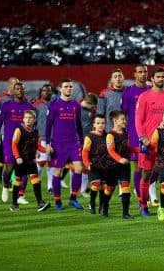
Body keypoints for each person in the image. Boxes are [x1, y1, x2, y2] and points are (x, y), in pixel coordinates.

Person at [135, 66, 164, 216]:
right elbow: (138, 120)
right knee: (146, 173)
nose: (161, 79)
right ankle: (143, 205)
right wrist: (142, 137)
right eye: (158, 76)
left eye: (163, 76)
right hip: (148, 142)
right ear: (152, 79)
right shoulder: (144, 97)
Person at [0, 82, 34, 203]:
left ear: (24, 91)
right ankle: (5, 185)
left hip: (24, 143)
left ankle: (20, 195)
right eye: (17, 89)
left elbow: (33, 127)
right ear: (14, 91)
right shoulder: (6, 105)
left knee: (23, 169)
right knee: (8, 167)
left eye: (21, 89)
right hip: (9, 141)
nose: (19, 91)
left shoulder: (29, 107)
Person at [45, 79, 85, 210]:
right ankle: (57, 201)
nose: (69, 89)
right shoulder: (54, 105)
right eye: (66, 86)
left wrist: (82, 142)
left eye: (70, 87)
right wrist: (47, 143)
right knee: (57, 172)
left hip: (73, 143)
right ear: (60, 89)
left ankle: (73, 198)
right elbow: (48, 125)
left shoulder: (76, 105)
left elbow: (79, 125)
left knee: (79, 168)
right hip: (58, 144)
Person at [9, 110, 51, 212]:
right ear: (23, 119)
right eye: (26, 117)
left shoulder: (36, 133)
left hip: (31, 161)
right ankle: (14, 204)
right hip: (20, 161)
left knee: (36, 180)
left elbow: (38, 146)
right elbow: (14, 144)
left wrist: (46, 149)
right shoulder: (18, 130)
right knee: (18, 181)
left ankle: (40, 203)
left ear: (34, 120)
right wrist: (17, 157)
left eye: (30, 118)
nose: (28, 119)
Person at [121, 64, 150, 197]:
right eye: (140, 72)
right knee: (138, 165)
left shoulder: (151, 90)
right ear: (135, 74)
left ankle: (147, 190)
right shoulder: (128, 92)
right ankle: (140, 196)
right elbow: (123, 114)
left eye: (145, 72)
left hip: (151, 132)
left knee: (153, 166)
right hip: (134, 134)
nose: (143, 74)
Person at [105, 110, 137, 219]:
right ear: (115, 121)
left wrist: (140, 150)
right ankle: (104, 206)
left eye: (125, 119)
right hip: (113, 166)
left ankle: (125, 213)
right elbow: (110, 150)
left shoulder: (125, 133)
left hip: (124, 166)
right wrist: (120, 159)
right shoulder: (110, 135)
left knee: (126, 187)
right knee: (110, 188)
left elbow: (128, 148)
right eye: (122, 119)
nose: (125, 121)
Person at [82, 114, 110, 214]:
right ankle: (92, 203)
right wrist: (87, 163)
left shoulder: (108, 136)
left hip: (104, 166)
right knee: (96, 184)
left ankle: (102, 206)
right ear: (94, 124)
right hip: (93, 165)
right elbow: (85, 152)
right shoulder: (89, 137)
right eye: (98, 123)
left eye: (103, 123)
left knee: (103, 186)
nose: (100, 125)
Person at [33, 83, 54, 192]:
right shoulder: (36, 105)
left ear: (52, 92)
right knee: (40, 162)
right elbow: (32, 123)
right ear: (41, 92)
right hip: (41, 138)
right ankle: (37, 180)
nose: (46, 92)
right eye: (44, 90)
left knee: (52, 162)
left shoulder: (56, 104)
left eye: (49, 90)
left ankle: (50, 186)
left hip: (54, 138)